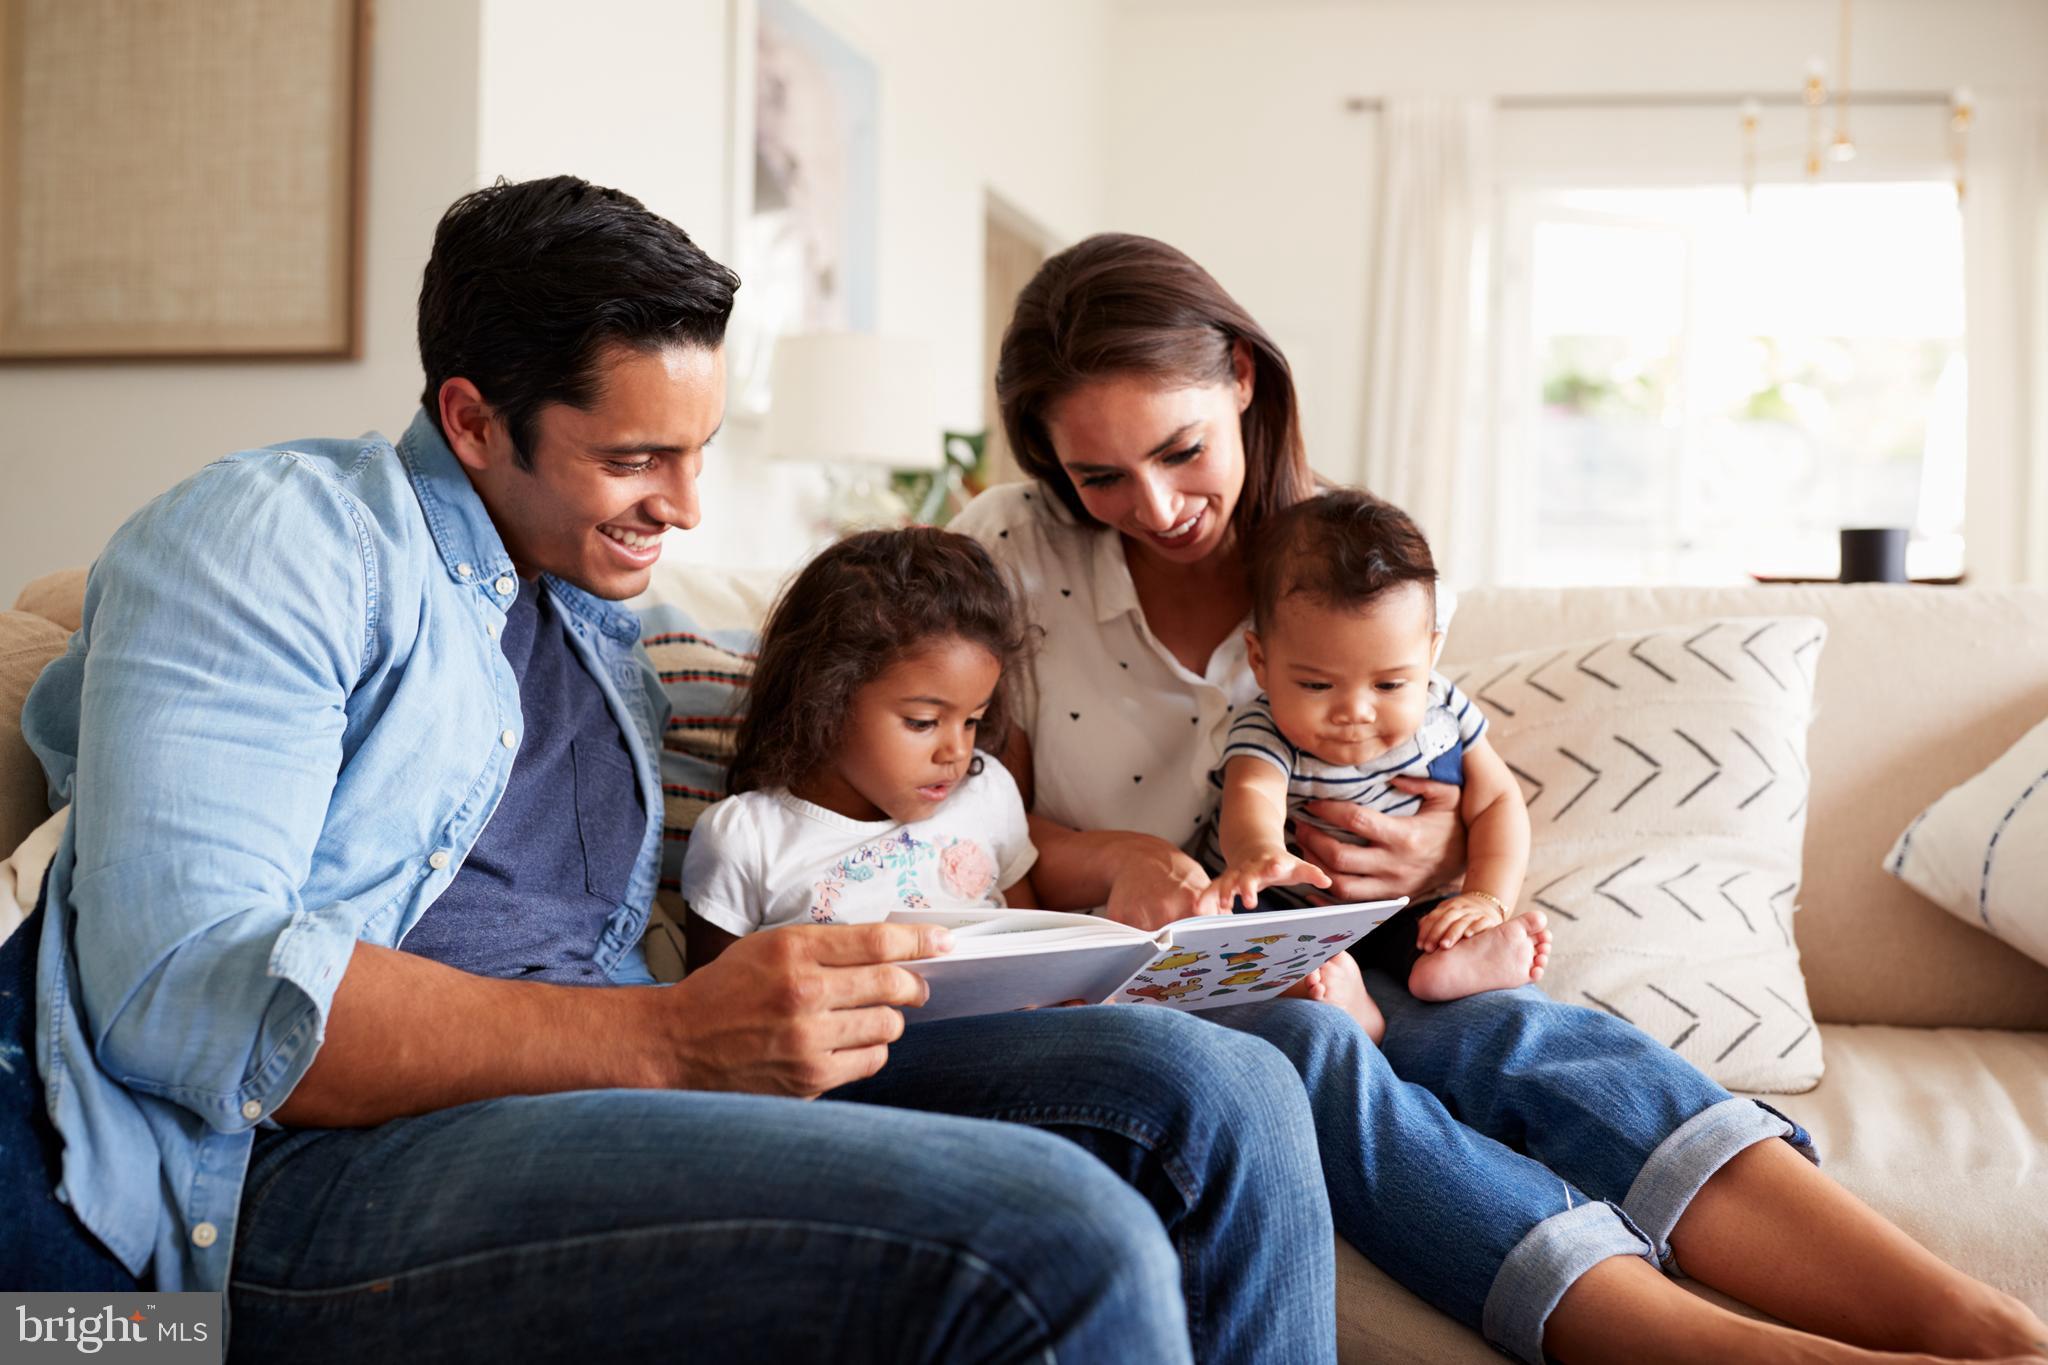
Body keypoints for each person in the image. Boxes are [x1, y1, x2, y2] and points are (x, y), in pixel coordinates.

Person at [13, 179, 1341, 1364]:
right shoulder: (277, 539)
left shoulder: (602, 623)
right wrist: (666, 1036)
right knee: (1057, 1239)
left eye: (699, 450)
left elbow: (845, 720)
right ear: (474, 422)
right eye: (638, 457)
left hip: (616, 1088)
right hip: (324, 1170)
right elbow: (183, 985)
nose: (688, 505)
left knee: (1222, 1091)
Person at [951, 229, 2048, 1365]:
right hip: (1141, 969)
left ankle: (1974, 1325)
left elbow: (1437, 781)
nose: (1159, 505)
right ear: (1047, 466)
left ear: (1240, 377)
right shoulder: (1008, 555)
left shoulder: (1360, 567)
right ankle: (1710, 1349)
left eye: (1180, 451)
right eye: (1098, 477)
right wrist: (1115, 859)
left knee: (1524, 1035)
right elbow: (973, 817)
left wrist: (1427, 866)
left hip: (1351, 934)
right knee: (1305, 1049)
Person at [1198, 489, 1550, 1042]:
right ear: (1260, 661)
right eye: (1316, 684)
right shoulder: (1266, 727)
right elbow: (1253, 793)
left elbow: (1498, 802)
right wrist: (1259, 853)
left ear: (1431, 655)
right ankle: (1341, 997)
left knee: (1436, 928)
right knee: (1234, 941)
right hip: (1288, 908)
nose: (1354, 712)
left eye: (1389, 684)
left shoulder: (1443, 709)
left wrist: (1485, 897)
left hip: (1397, 909)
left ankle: (1457, 964)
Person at [681, 527, 1040, 958]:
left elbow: (1039, 943)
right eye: (923, 722)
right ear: (824, 699)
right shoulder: (747, 838)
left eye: (973, 721)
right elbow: (711, 1004)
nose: (957, 752)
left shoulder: (986, 792)